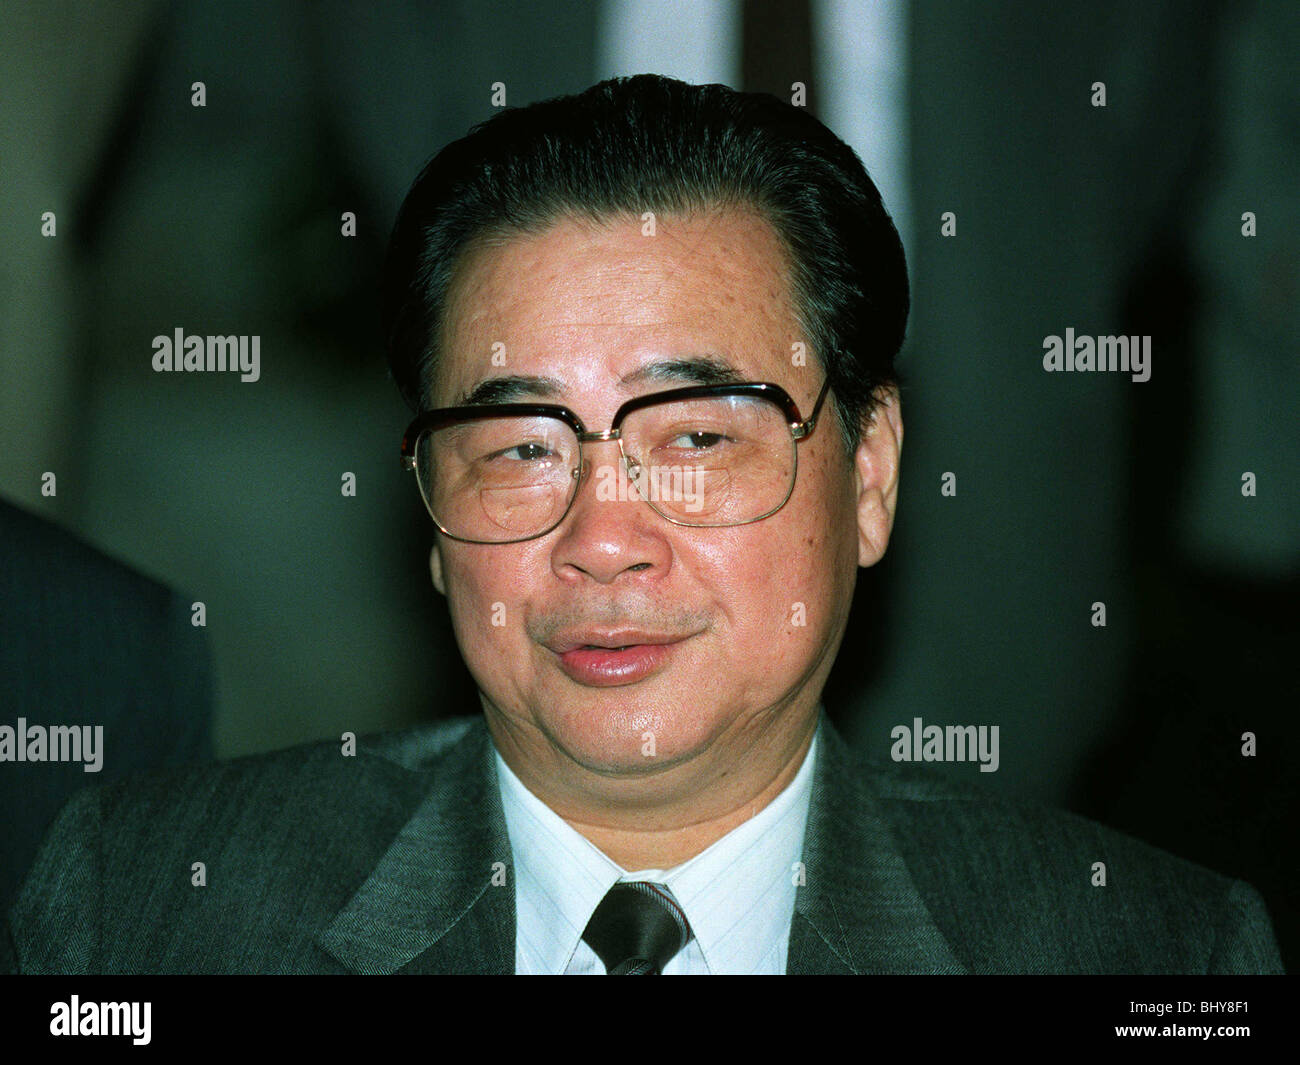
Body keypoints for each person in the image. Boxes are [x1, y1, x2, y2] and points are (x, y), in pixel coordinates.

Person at [3, 75, 1283, 975]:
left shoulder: (1151, 955)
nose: (603, 540)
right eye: (520, 449)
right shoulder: (148, 910)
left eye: (696, 440)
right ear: (430, 519)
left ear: (870, 473)